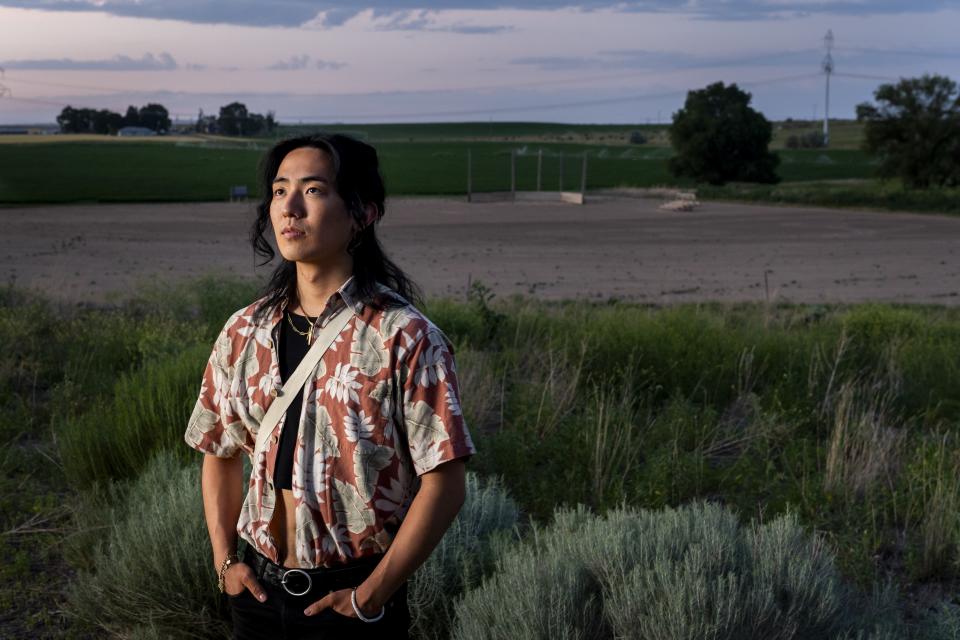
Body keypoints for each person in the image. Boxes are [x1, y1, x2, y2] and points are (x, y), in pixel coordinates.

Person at [184, 133, 476, 639]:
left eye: (314, 190)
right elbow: (218, 449)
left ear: (363, 213)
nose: (290, 208)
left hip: (353, 603)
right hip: (255, 592)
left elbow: (445, 483)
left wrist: (371, 596)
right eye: (279, 191)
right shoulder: (243, 331)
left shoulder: (404, 337)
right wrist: (224, 562)